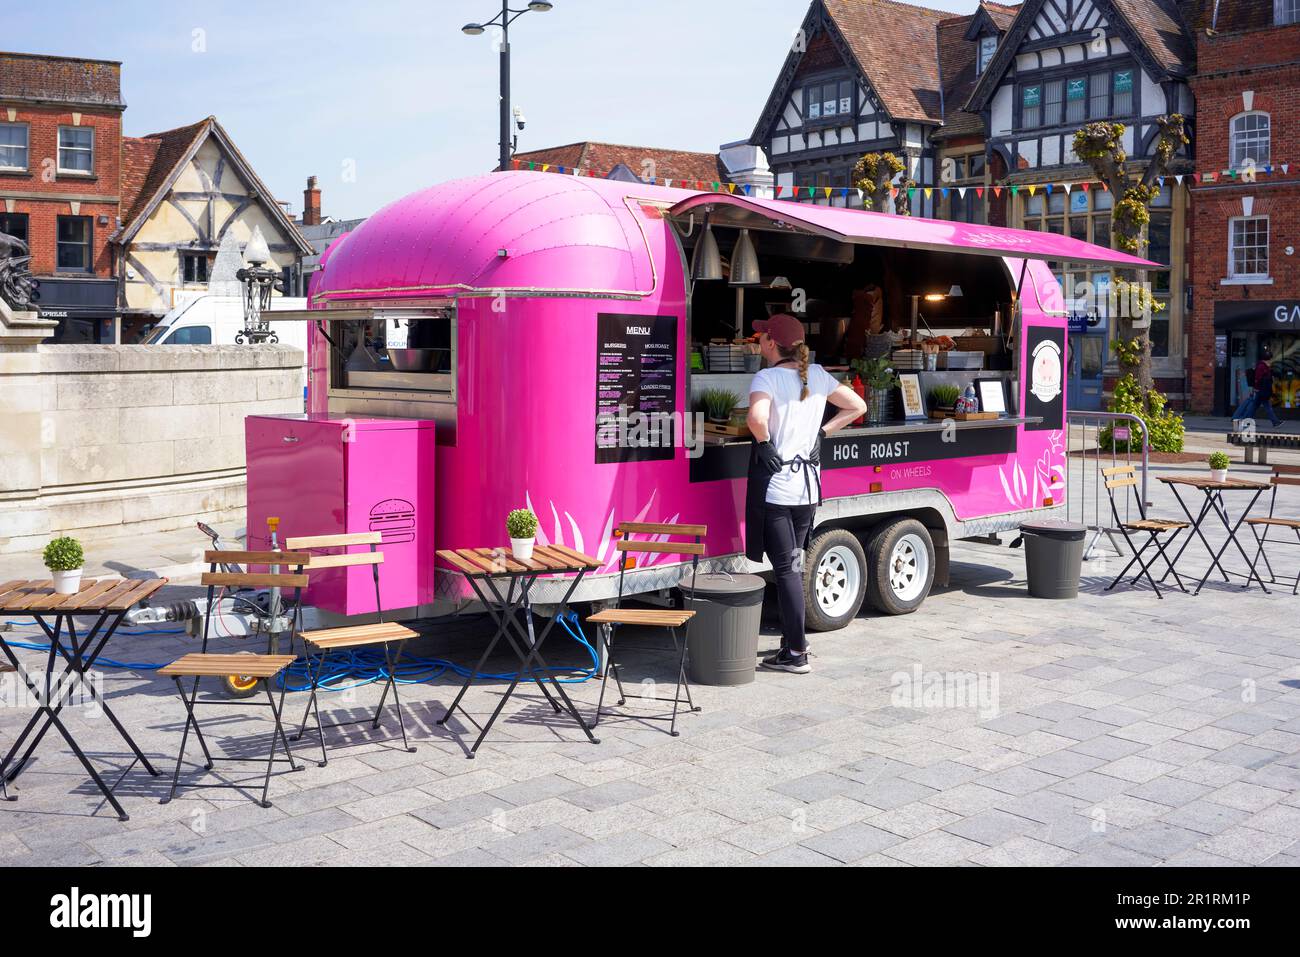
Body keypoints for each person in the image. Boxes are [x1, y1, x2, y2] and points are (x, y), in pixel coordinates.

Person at [745, 313, 867, 674]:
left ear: (770, 342)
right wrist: (822, 434)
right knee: (793, 567)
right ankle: (792, 643)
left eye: (761, 338)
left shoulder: (766, 377)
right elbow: (857, 406)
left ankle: (796, 652)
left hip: (779, 489)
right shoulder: (817, 374)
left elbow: (755, 418)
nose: (758, 344)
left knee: (786, 570)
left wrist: (764, 442)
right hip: (808, 489)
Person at [1233, 346, 1282, 428]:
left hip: (1261, 390)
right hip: (1261, 390)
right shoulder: (1261, 366)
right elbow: (1257, 378)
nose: (1270, 360)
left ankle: (1245, 421)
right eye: (1269, 359)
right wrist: (1256, 388)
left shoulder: (1265, 366)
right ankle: (1275, 422)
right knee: (1267, 406)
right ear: (1266, 359)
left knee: (1254, 406)